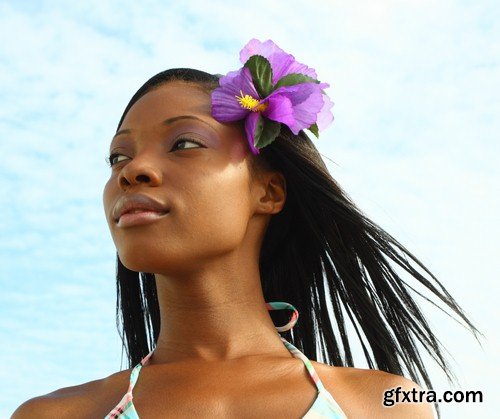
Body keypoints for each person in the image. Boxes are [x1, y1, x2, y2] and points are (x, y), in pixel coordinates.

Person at [12, 39, 479, 418]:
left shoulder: (383, 408)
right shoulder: (55, 415)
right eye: (119, 156)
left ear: (269, 192)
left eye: (184, 143)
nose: (132, 171)